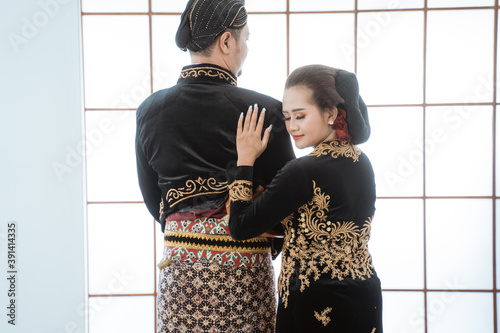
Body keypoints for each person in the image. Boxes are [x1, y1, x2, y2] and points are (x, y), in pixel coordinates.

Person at [135, 0, 295, 332]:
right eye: (245, 39)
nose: (246, 48)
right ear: (226, 41)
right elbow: (288, 202)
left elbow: (154, 200)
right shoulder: (264, 110)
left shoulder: (149, 110)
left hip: (180, 268)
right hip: (245, 271)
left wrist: (189, 229)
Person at [228, 65, 383, 332]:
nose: (292, 127)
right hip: (363, 294)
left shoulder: (302, 170)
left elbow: (240, 227)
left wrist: (245, 160)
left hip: (314, 302)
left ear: (331, 113)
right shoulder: (362, 161)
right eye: (287, 117)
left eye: (300, 116)